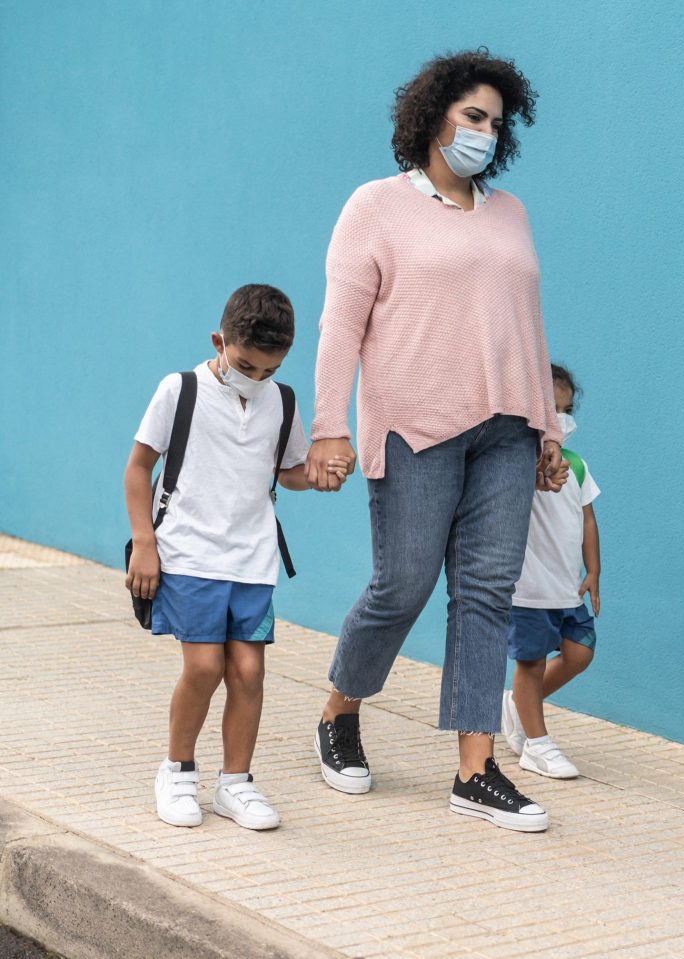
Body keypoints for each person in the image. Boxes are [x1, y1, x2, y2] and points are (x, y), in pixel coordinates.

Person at [306, 49, 569, 833]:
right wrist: (328, 427)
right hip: (416, 427)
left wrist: (547, 427)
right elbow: (340, 327)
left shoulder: (511, 212)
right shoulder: (375, 207)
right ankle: (339, 709)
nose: (485, 132)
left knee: (486, 594)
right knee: (403, 586)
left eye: (496, 122)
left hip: (508, 432)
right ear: (432, 119)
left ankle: (475, 769)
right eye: (472, 116)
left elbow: (528, 323)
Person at [125, 284, 352, 830]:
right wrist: (145, 544)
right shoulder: (180, 390)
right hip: (187, 553)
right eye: (246, 365)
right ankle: (177, 772)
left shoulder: (282, 401)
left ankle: (235, 784)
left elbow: (287, 472)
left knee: (249, 672)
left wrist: (318, 476)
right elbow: (138, 468)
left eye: (269, 370)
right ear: (219, 341)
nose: (255, 378)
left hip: (252, 558)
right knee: (204, 667)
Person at [502, 364, 602, 779]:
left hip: (566, 586)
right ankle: (537, 745)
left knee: (580, 652)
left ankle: (518, 703)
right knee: (532, 663)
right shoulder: (516, 463)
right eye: (552, 410)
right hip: (530, 588)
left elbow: (588, 519)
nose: (561, 419)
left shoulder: (577, 465)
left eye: (567, 410)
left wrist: (593, 571)